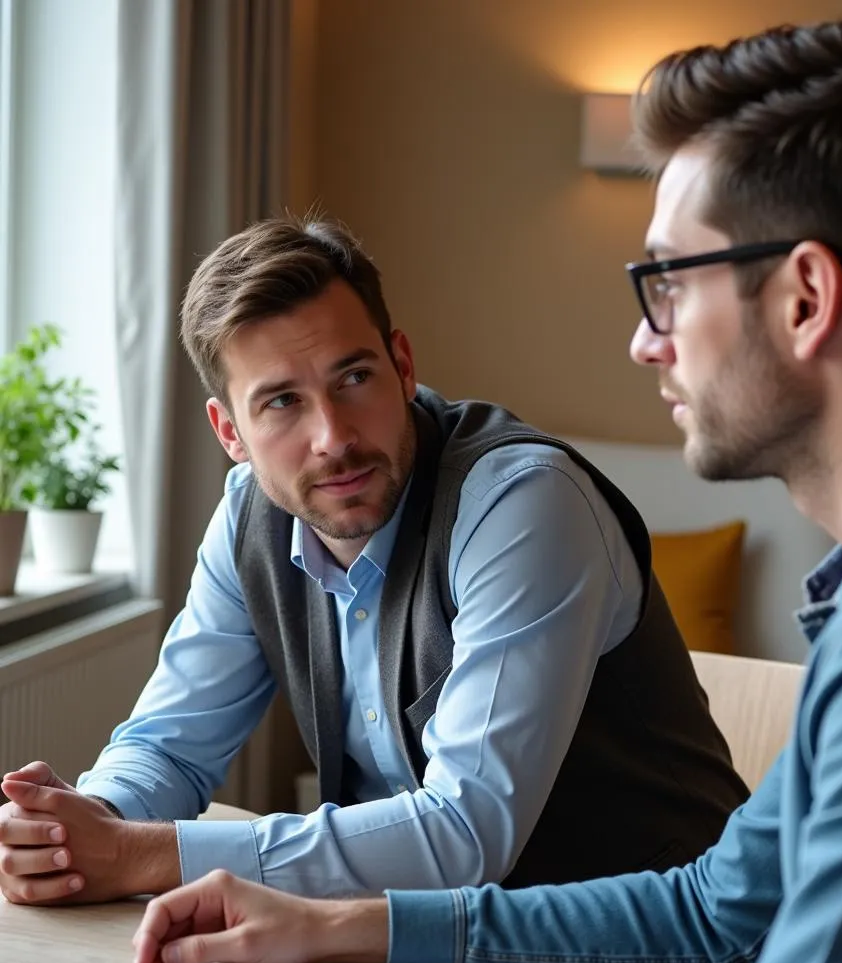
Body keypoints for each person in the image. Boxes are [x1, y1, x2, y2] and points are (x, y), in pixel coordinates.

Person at [128, 18, 842, 963]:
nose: (645, 341)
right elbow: (719, 920)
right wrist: (344, 923)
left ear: (806, 297)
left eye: (667, 282)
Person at [0, 218, 746, 910]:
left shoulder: (523, 503)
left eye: (353, 377)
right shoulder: (249, 519)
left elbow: (465, 834)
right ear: (231, 431)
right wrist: (85, 825)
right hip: (436, 951)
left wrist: (138, 855)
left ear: (402, 365)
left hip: (652, 962)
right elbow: (168, 744)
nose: (333, 437)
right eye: (282, 403)